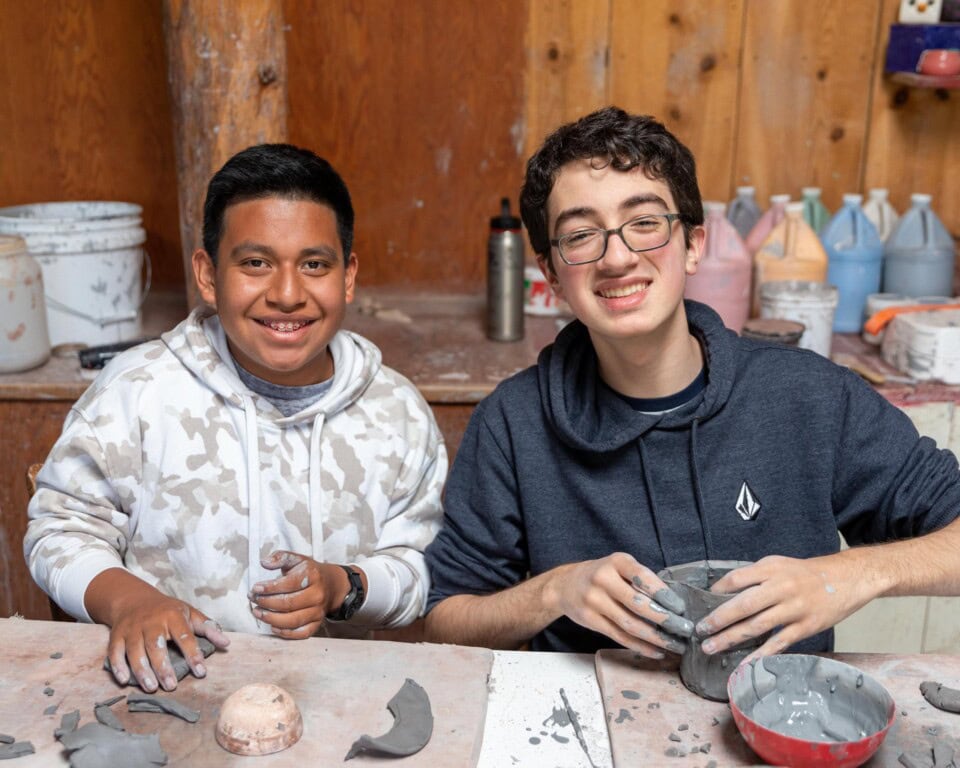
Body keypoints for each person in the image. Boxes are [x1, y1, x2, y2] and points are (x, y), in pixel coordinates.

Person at [423, 106, 960, 661]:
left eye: (646, 223)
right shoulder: (513, 422)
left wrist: (851, 574)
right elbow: (443, 621)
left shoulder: (810, 396)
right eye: (581, 235)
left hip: (775, 723)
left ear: (694, 244)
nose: (618, 257)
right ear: (554, 275)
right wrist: (555, 591)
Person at [25, 144, 447, 692]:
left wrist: (342, 586)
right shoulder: (138, 391)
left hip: (330, 703)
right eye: (255, 263)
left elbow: (417, 570)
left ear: (347, 277)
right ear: (207, 274)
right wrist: (132, 601)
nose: (288, 294)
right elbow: (58, 530)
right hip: (166, 691)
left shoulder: (397, 413)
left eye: (314, 265)